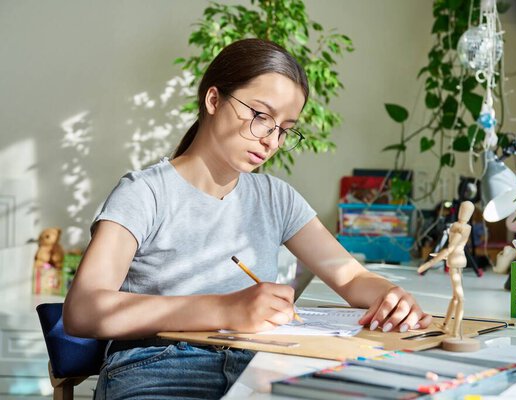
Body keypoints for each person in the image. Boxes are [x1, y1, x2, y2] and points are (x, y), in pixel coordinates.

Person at [63, 38, 432, 400]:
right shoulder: (144, 193)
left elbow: (350, 276)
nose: (271, 140)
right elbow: (83, 310)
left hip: (258, 363)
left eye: (285, 129)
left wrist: (389, 296)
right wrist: (226, 308)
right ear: (213, 100)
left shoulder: (275, 197)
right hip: (157, 366)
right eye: (260, 116)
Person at [417, 201, 474, 338]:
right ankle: (445, 325)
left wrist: (430, 263)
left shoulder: (458, 227)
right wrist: (439, 256)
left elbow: (450, 248)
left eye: (465, 210)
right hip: (460, 259)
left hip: (454, 261)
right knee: (455, 297)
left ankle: (455, 331)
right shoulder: (467, 227)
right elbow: (456, 247)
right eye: (462, 209)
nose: (463, 212)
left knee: (460, 298)